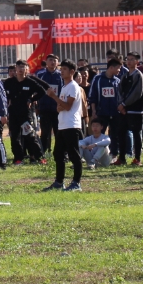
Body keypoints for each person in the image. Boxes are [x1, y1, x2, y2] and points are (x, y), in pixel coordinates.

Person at [43, 60, 84, 192]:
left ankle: (76, 183)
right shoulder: (65, 87)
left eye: (65, 69)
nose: (62, 71)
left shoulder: (73, 86)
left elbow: (66, 106)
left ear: (72, 72)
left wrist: (54, 97)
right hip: (63, 125)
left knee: (74, 155)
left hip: (71, 125)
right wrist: (59, 103)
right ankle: (59, 182)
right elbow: (59, 108)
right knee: (58, 154)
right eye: (61, 69)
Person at [3, 60, 44, 164]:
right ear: (15, 69)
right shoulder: (9, 82)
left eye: (23, 67)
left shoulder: (30, 82)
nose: (21, 70)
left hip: (25, 113)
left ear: (27, 69)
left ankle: (39, 157)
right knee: (15, 137)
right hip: (13, 113)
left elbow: (42, 91)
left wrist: (31, 99)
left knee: (30, 136)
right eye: (19, 67)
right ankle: (18, 158)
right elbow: (3, 95)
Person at [88, 59, 124, 162]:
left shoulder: (117, 81)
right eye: (118, 68)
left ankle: (113, 155)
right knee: (99, 134)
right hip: (102, 112)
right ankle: (96, 155)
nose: (119, 70)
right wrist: (94, 111)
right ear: (111, 67)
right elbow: (92, 96)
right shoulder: (97, 79)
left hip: (115, 113)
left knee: (115, 134)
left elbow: (120, 97)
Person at [117, 52, 143, 166]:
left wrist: (124, 104)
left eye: (132, 59)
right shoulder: (124, 76)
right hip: (124, 110)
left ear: (137, 62)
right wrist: (121, 104)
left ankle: (137, 158)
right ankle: (122, 158)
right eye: (127, 59)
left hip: (135, 110)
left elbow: (137, 93)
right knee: (121, 133)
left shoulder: (138, 75)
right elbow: (119, 91)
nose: (129, 61)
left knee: (136, 134)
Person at [36, 55, 63, 156]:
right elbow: (36, 90)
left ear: (58, 62)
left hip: (58, 109)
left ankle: (59, 152)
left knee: (58, 132)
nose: (52, 62)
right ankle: (44, 152)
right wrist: (37, 106)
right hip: (44, 108)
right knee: (45, 133)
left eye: (54, 60)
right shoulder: (40, 74)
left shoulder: (61, 75)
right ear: (46, 62)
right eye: (50, 60)